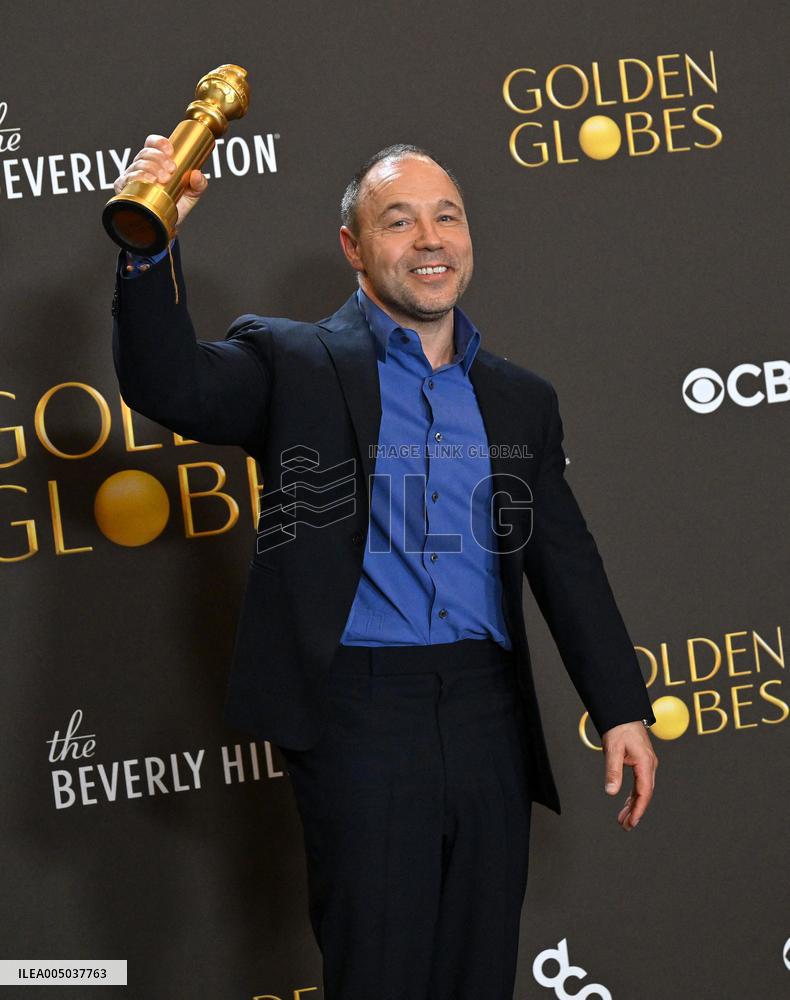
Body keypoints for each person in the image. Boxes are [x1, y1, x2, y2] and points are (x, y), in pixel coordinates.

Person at [111, 135, 658, 999]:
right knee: (381, 975)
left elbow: (565, 556)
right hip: (360, 717)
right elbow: (168, 385)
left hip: (488, 713)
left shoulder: (521, 397)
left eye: (448, 217)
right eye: (399, 222)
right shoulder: (294, 364)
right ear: (354, 249)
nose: (430, 239)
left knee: (478, 975)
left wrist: (621, 706)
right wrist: (151, 248)